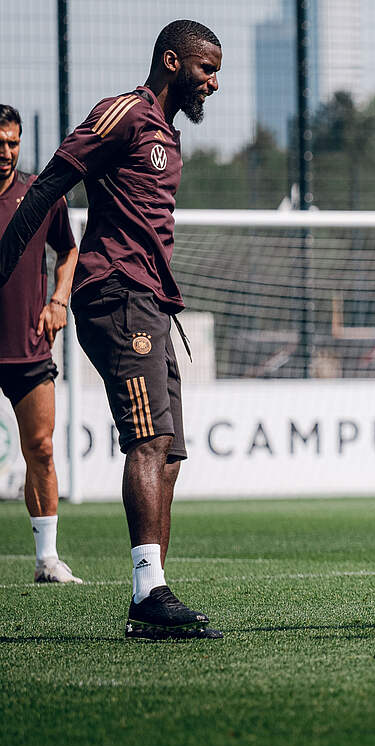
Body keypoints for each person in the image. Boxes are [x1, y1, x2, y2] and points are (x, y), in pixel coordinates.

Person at [0, 20, 225, 638]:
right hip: (116, 293)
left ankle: (154, 595)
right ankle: (147, 593)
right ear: (172, 61)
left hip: (152, 301)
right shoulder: (122, 112)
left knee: (170, 450)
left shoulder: (169, 136)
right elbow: (46, 186)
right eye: (206, 70)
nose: (212, 83)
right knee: (148, 440)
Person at [0, 105, 82, 584]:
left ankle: (47, 559)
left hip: (29, 349)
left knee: (42, 450)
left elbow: (68, 249)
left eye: (13, 143)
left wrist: (59, 298)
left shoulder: (38, 195)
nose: (6, 153)